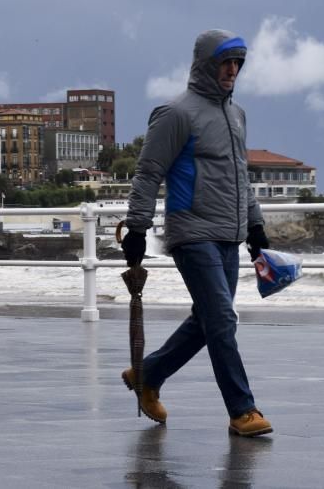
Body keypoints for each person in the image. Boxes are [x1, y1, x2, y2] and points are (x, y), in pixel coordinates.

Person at [120, 28, 273, 437]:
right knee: (222, 319)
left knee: (209, 320)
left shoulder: (237, 114)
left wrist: (255, 225)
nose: (233, 70)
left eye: (238, 63)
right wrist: (136, 228)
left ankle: (147, 375)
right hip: (192, 233)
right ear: (206, 64)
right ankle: (243, 409)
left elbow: (240, 176)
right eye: (226, 62)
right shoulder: (176, 114)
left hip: (230, 234)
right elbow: (149, 172)